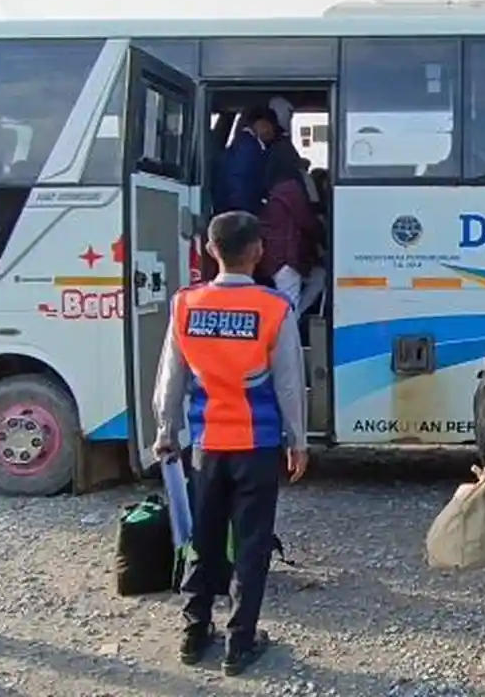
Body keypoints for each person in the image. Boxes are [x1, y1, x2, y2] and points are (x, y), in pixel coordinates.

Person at [152, 211, 309, 677]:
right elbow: (287, 384)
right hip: (257, 447)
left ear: (209, 250)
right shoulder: (275, 307)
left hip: (206, 446)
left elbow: (170, 378)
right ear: (258, 251)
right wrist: (297, 441)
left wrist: (165, 432)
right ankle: (240, 644)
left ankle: (193, 633)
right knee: (252, 544)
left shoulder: (186, 305)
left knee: (202, 539)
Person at [244, 107, 322, 307]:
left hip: (271, 255)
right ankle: (288, 336)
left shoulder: (268, 189)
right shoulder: (290, 189)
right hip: (286, 257)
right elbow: (306, 221)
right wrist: (324, 237)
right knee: (289, 306)